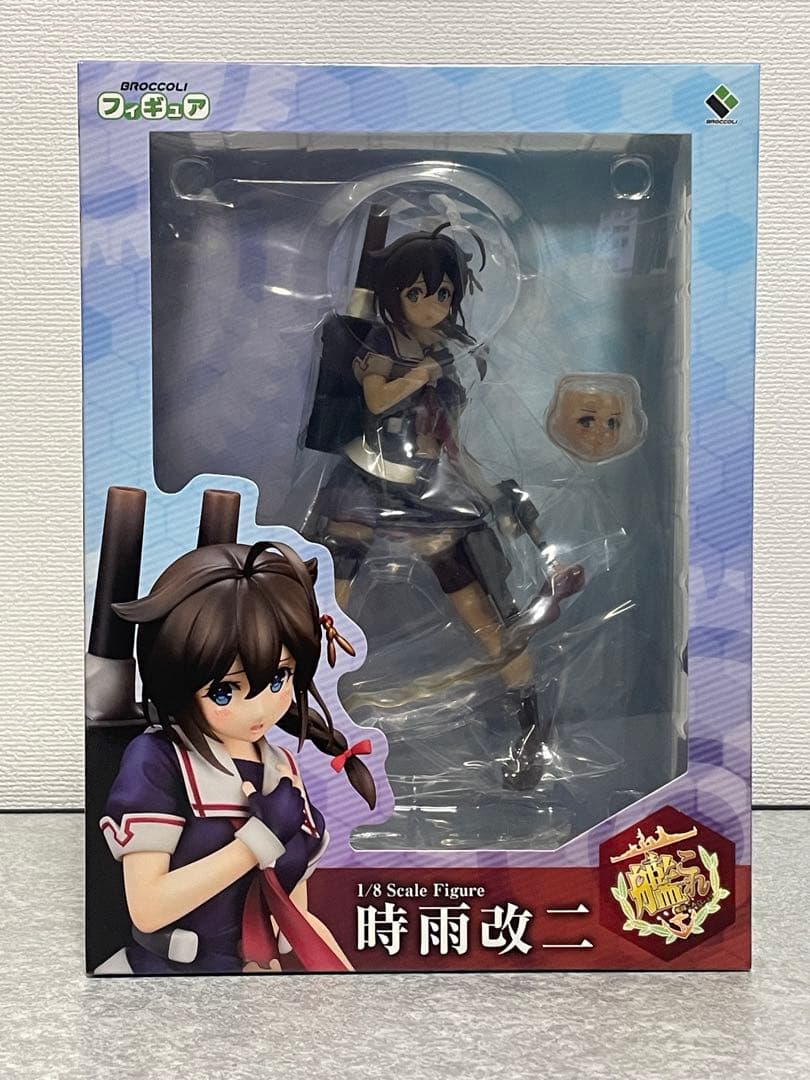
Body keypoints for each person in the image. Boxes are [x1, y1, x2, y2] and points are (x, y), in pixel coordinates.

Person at [304, 219, 583, 789]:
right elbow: (376, 398)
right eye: (417, 292)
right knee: (329, 605)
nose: (432, 305)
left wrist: (491, 494)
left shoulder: (446, 355)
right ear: (395, 295)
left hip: (429, 489)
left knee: (484, 609)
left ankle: (529, 720)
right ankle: (304, 709)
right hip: (366, 481)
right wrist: (424, 373)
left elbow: (450, 442)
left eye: (444, 294)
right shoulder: (382, 344)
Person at [96, 540, 376, 974]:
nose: (259, 709)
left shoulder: (283, 770)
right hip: (161, 983)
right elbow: (148, 909)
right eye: (225, 691)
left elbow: (294, 918)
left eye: (279, 678)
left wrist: (352, 989)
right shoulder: (160, 760)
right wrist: (257, 841)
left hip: (253, 987)